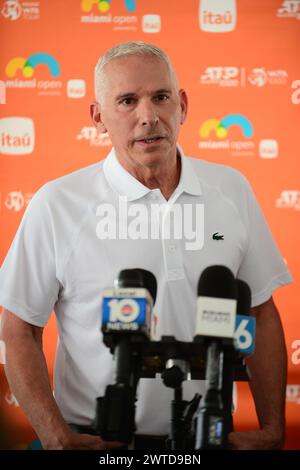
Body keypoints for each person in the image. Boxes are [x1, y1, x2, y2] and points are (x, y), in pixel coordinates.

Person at [0, 41, 292, 450]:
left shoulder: (231, 189)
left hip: (209, 440)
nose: (148, 116)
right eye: (127, 101)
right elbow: (18, 329)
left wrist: (273, 430)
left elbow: (260, 311)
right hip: (99, 444)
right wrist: (55, 437)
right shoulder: (58, 203)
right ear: (98, 118)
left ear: (183, 105)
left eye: (160, 97)